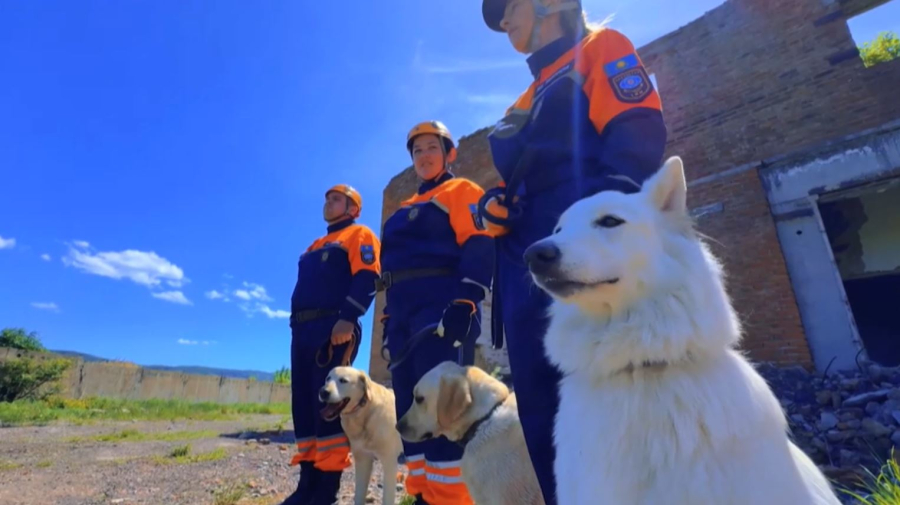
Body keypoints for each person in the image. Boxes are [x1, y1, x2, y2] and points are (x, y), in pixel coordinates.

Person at [478, 1, 668, 504]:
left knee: (608, 399)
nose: (503, 21)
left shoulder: (602, 48)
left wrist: (606, 240)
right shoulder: (519, 99)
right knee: (544, 410)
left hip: (585, 242)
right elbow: (518, 179)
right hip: (527, 255)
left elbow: (636, 145)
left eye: (510, 6)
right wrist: (494, 204)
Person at [378, 121, 494, 505]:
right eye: (417, 151)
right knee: (410, 409)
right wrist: (386, 325)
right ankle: (424, 495)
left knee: (445, 409)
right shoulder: (403, 210)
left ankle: (451, 498)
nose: (424, 156)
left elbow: (479, 244)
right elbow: (389, 275)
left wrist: (466, 301)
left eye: (431, 147)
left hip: (441, 309)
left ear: (449, 153)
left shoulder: (462, 191)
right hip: (402, 317)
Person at [281, 184, 381, 505]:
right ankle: (307, 485)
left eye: (336, 199)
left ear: (353, 208)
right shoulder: (314, 246)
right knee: (304, 406)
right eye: (327, 199)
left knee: (328, 408)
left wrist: (348, 317)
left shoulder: (359, 235)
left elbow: (367, 278)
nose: (329, 203)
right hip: (303, 330)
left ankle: (326, 491)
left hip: (333, 328)